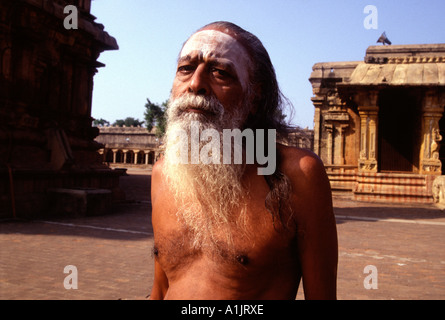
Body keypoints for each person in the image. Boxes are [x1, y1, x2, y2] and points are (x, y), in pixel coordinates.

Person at [149, 21, 338, 300]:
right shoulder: (164, 172)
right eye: (185, 69)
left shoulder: (296, 174)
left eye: (220, 72)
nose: (196, 84)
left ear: (254, 95)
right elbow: (162, 289)